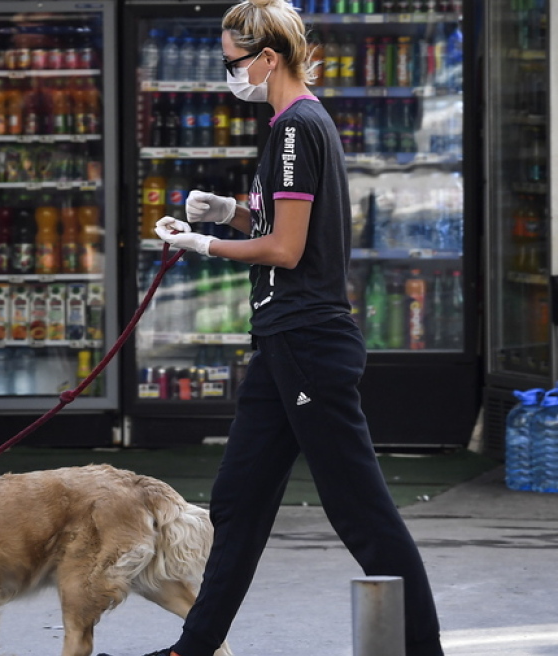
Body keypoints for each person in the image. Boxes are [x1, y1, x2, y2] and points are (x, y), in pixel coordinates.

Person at [115, 1, 446, 655]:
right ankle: (196, 646)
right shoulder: (296, 128)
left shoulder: (295, 129)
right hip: (283, 344)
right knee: (238, 501)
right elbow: (274, 226)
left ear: (269, 58)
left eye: (233, 63)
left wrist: (201, 249)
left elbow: (286, 250)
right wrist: (226, 214)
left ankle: (423, 649)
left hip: (306, 343)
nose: (228, 76)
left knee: (361, 512)